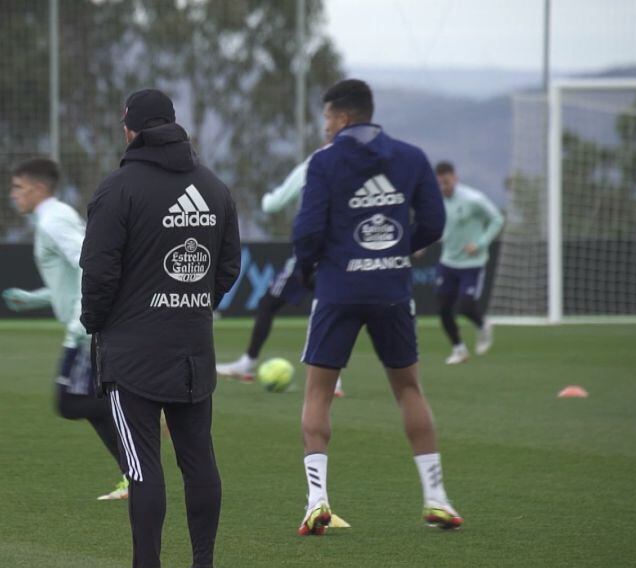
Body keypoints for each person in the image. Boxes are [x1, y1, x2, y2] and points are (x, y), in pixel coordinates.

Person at [78, 89, 240, 568]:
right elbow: (229, 266)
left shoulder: (118, 188)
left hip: (134, 353)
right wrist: (191, 304)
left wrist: (97, 324)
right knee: (200, 461)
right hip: (193, 350)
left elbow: (98, 272)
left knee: (142, 466)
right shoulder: (214, 188)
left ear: (131, 130)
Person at [292, 79, 462, 536]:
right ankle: (436, 498)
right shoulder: (410, 157)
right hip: (391, 288)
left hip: (338, 289)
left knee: (318, 394)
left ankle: (317, 500)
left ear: (343, 117)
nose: (325, 126)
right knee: (409, 389)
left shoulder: (326, 162)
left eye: (327, 117)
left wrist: (310, 267)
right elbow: (434, 222)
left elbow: (307, 231)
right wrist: (400, 249)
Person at [2, 158, 127, 501]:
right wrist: (33, 299)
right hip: (86, 323)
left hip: (86, 328)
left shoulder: (54, 219)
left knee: (72, 402)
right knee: (79, 401)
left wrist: (80, 324)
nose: (13, 195)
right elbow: (72, 281)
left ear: (38, 188)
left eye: (18, 187)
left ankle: (134, 427)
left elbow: (89, 265)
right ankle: (133, 470)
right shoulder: (52, 218)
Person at [215, 153, 345, 397]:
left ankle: (249, 361)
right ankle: (334, 380)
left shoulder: (313, 163)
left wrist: (264, 197)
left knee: (269, 304)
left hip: (309, 254)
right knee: (329, 312)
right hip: (341, 255)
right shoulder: (353, 163)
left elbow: (272, 205)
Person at [432, 161, 504, 365]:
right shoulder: (436, 200)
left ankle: (483, 325)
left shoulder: (474, 199)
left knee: (465, 306)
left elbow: (497, 219)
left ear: (455, 178)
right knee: (443, 308)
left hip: (472, 264)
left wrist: (480, 243)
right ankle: (459, 349)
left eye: (446, 182)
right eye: (439, 183)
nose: (443, 187)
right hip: (448, 262)